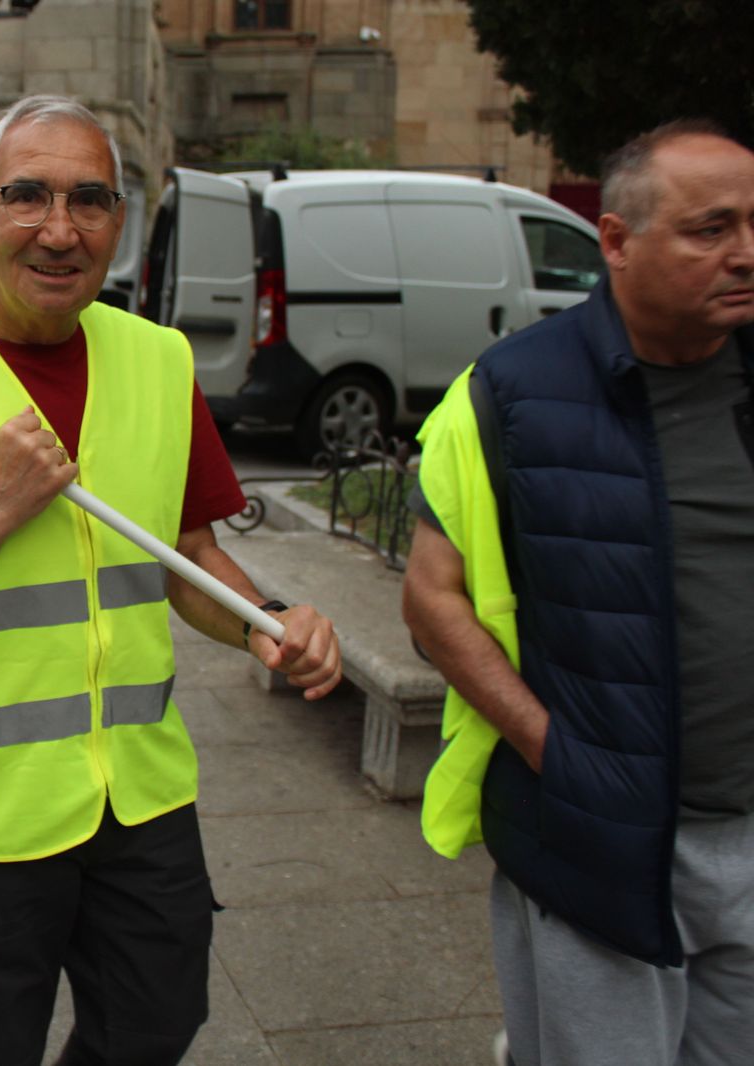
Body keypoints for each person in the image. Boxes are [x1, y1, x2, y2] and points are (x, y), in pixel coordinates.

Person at [0, 95, 342, 1065]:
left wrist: (267, 620)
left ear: (118, 224)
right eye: (26, 196)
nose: (58, 228)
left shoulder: (159, 361)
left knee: (158, 1019)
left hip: (140, 795)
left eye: (89, 200)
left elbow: (192, 557)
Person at [402, 120, 754, 1066]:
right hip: (597, 837)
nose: (745, 254)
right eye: (711, 228)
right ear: (615, 241)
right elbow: (434, 600)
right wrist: (556, 753)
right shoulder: (511, 394)